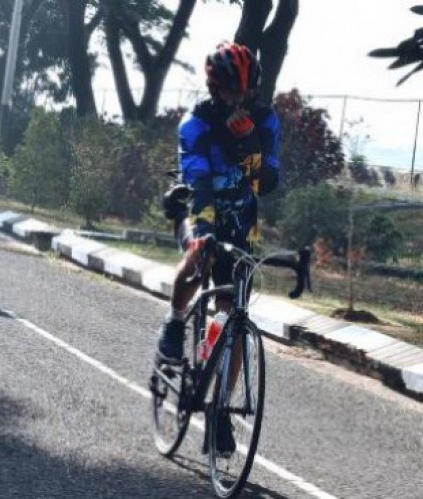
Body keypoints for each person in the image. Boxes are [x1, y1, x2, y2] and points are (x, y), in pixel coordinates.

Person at [155, 42, 281, 456]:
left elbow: (268, 184)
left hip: (242, 222)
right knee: (200, 252)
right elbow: (199, 181)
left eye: (243, 92)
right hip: (198, 207)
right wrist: (205, 228)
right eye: (230, 93)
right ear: (215, 88)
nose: (237, 101)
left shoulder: (265, 122)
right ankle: (174, 323)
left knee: (233, 317)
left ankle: (219, 408)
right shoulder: (196, 124)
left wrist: (250, 148)